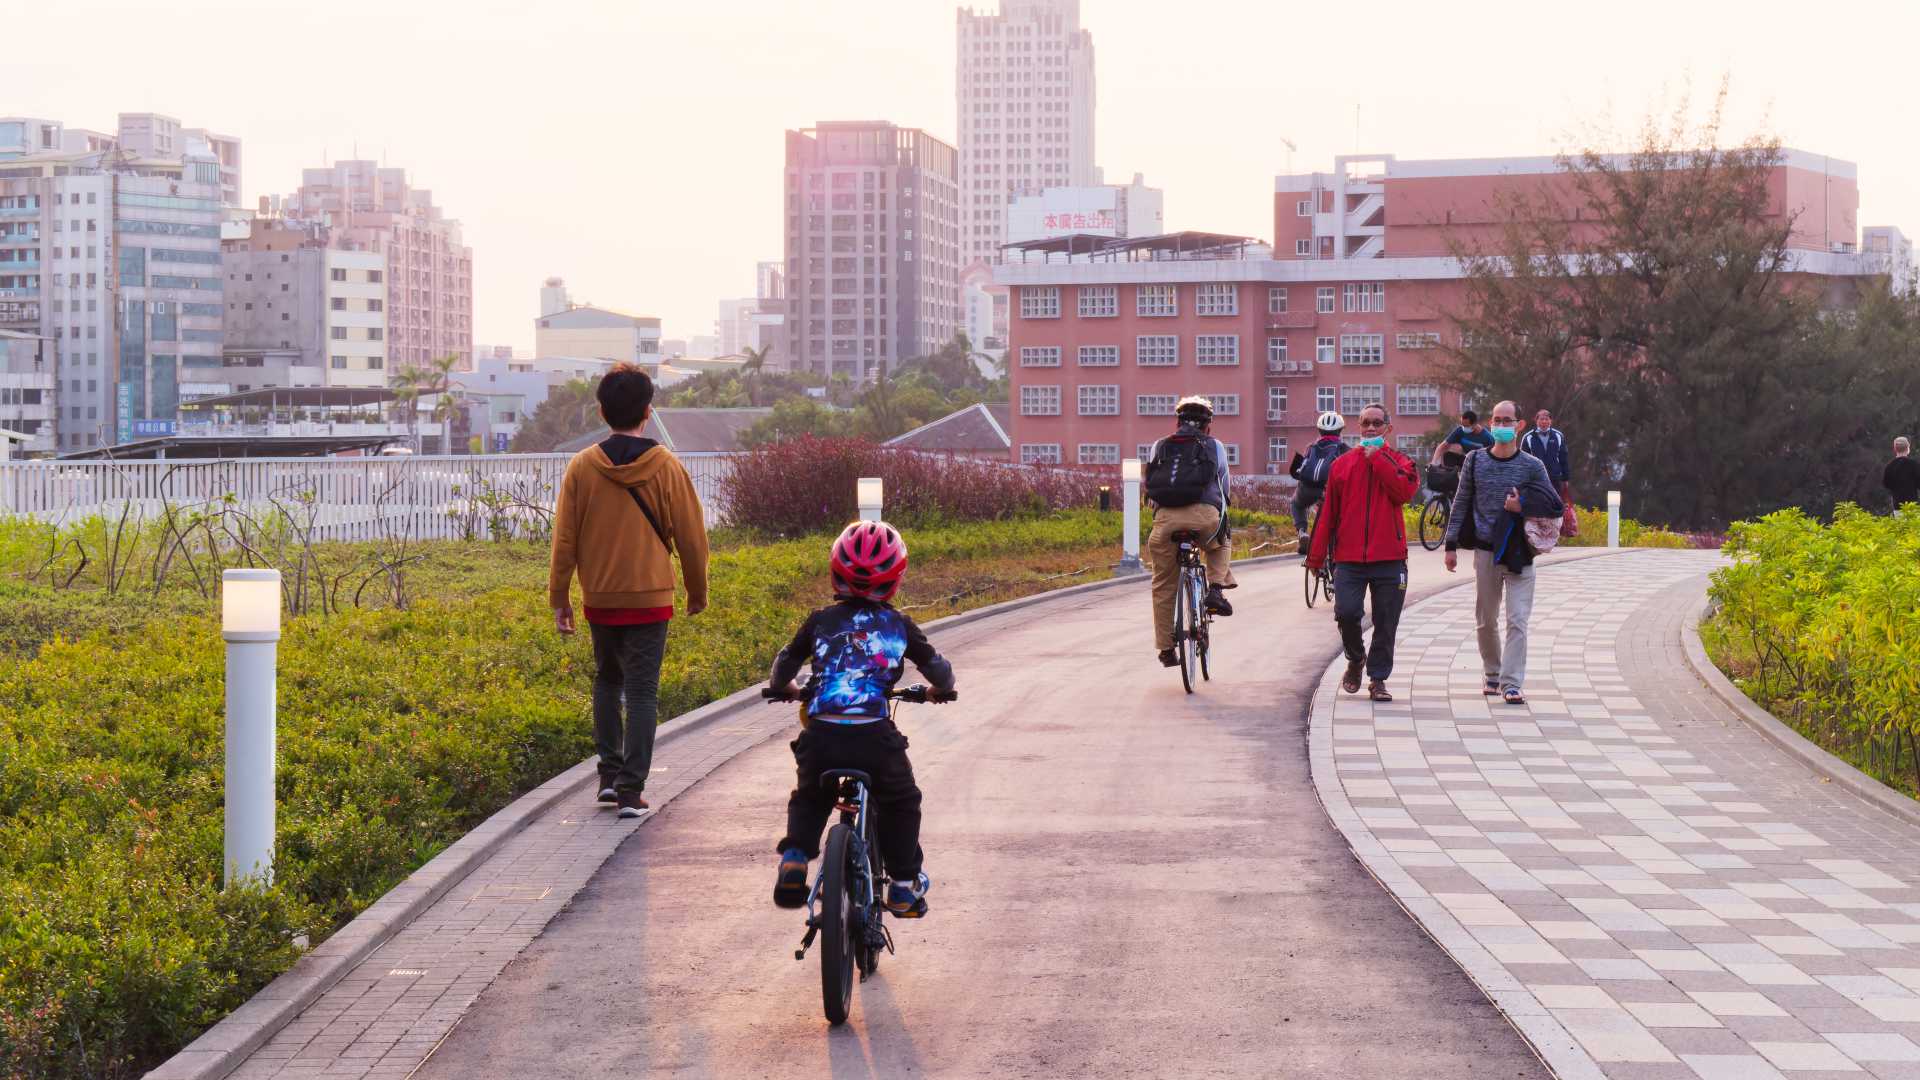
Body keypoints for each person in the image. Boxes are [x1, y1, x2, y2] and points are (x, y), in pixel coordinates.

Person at [768, 520, 956, 918]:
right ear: (896, 578)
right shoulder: (899, 625)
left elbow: (784, 665)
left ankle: (795, 860)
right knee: (902, 800)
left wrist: (785, 687)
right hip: (874, 737)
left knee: (811, 794)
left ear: (835, 570)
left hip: (821, 734)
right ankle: (903, 887)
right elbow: (939, 671)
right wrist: (940, 690)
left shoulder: (820, 620)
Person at [549, 363, 711, 818]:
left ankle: (607, 776)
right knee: (642, 692)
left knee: (606, 681)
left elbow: (565, 539)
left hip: (600, 596)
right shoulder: (666, 465)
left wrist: (560, 596)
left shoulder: (582, 467)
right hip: (651, 596)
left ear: (602, 411)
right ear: (647, 411)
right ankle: (630, 790)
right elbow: (692, 537)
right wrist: (697, 591)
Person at [1443, 400, 1561, 707]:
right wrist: (1451, 545)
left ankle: (1511, 683)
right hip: (1485, 552)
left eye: (1507, 420)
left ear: (1519, 425)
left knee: (1518, 620)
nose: (1501, 425)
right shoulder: (1475, 460)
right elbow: (1461, 502)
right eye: (1496, 419)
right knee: (1486, 619)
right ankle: (1492, 672)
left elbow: (1552, 505)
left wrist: (1522, 507)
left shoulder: (1533, 466)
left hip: (1521, 554)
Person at [1305, 403, 1420, 702]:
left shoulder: (1402, 462)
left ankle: (1378, 679)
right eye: (1366, 423)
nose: (1371, 428)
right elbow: (1328, 513)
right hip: (1349, 559)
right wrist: (1315, 557)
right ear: (1358, 426)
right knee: (1346, 613)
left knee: (1386, 621)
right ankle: (1356, 658)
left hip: (1390, 558)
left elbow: (1403, 493)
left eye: (1377, 423)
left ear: (1388, 429)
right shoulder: (1342, 465)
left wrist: (1378, 459)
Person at [1144, 395, 1237, 668]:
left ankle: (1165, 648)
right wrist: (1222, 510)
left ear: (1177, 422)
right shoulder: (1215, 446)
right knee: (1222, 540)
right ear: (1208, 425)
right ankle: (1216, 589)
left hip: (1165, 523)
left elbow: (1151, 489)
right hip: (1204, 519)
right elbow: (1224, 485)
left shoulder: (1159, 446)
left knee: (1163, 584)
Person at [1289, 411, 1349, 554]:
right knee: (1343, 511)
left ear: (1320, 430)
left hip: (1307, 488)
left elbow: (1304, 466)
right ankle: (1340, 540)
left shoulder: (1311, 447)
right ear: (1340, 430)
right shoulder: (1344, 449)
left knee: (1296, 504)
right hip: (1329, 490)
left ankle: (1302, 532)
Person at [1520, 408, 1576, 536]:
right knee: (1538, 505)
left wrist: (1566, 478)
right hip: (1535, 479)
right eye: (1541, 418)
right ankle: (1537, 534)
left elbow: (1563, 457)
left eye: (1546, 419)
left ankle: (1553, 534)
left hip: (1555, 477)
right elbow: (1523, 460)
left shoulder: (1558, 435)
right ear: (1536, 420)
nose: (1544, 421)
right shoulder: (1528, 437)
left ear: (1551, 421)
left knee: (1555, 505)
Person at [1430, 408, 1494, 469]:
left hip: (1481, 463)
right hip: (1467, 460)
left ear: (1474, 424)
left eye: (1466, 426)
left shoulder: (1487, 437)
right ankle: (1451, 477)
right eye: (1463, 425)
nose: (1464, 428)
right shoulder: (1460, 431)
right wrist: (1434, 463)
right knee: (1448, 455)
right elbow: (1443, 446)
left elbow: (1494, 456)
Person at [1884, 437, 1920, 510]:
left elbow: (1886, 484)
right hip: (1913, 505)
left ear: (1895, 449)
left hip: (1897, 504)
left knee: (1900, 521)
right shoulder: (1914, 464)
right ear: (1908, 448)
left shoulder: (1889, 466)